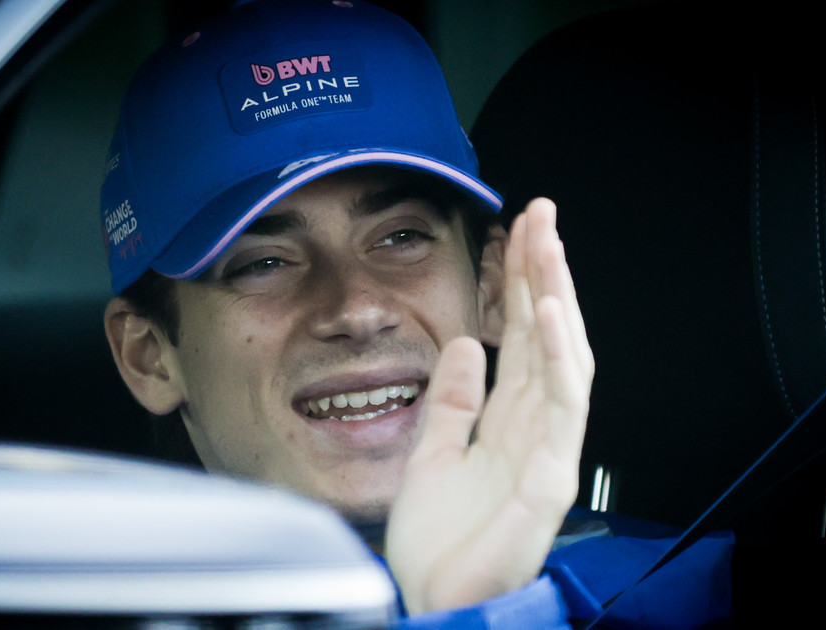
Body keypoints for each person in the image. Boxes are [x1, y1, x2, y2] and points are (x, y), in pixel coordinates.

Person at [99, 1, 731, 627]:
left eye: (401, 237)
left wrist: (476, 608)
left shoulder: (679, 602)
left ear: (490, 289)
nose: (358, 308)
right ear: (149, 356)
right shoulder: (69, 601)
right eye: (263, 263)